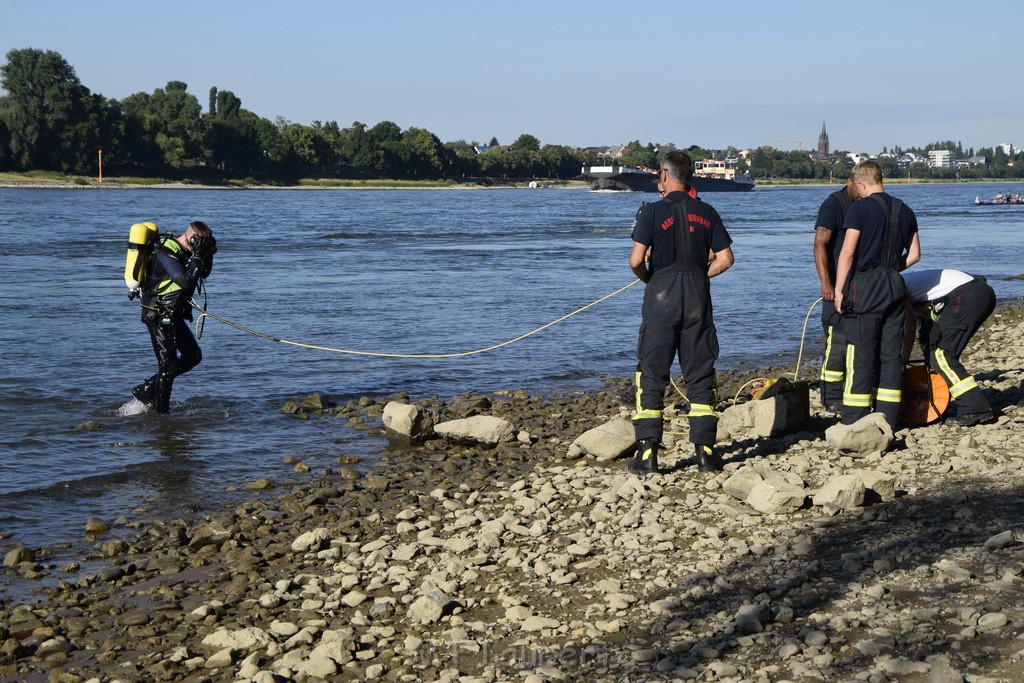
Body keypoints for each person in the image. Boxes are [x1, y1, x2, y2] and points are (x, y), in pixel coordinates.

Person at [627, 151, 735, 475]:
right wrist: (702, 274)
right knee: (700, 372)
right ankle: (704, 453)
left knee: (651, 372)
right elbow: (726, 258)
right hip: (697, 295)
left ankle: (647, 455)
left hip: (661, 295)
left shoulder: (650, 212)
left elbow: (635, 260)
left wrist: (651, 279)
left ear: (664, 175)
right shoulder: (707, 211)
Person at [834, 160, 921, 428]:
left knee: (861, 352)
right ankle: (888, 420)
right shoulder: (905, 209)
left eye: (857, 188)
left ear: (861, 183)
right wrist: (893, 269)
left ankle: (855, 420)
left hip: (865, 285)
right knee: (891, 355)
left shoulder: (859, 208)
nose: (857, 193)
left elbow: (847, 253)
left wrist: (839, 291)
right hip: (895, 284)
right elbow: (916, 255)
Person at [132, 221, 217, 413]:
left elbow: (202, 273)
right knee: (168, 365)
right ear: (190, 238)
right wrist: (197, 255)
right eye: (199, 244)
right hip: (158, 314)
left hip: (174, 314)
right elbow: (185, 282)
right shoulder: (165, 252)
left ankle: (146, 390)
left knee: (193, 356)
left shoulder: (186, 251)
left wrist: (206, 255)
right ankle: (161, 414)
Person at [902, 268, 996, 425]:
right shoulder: (893, 283)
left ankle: (975, 408)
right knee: (935, 351)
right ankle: (944, 397)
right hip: (978, 292)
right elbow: (920, 319)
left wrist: (904, 358)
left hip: (966, 295)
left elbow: (909, 325)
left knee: (940, 354)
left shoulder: (893, 289)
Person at [812, 173, 858, 413]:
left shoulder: (865, 204)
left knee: (858, 341)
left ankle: (854, 390)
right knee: (837, 340)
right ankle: (831, 396)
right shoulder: (833, 204)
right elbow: (819, 244)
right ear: (850, 182)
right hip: (835, 286)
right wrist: (826, 284)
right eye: (859, 186)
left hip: (859, 285)